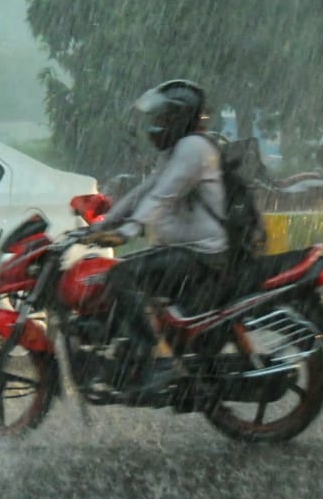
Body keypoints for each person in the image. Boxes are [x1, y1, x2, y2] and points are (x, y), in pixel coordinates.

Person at [84, 79, 229, 394]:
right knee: (119, 276)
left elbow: (163, 195)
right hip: (184, 249)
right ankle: (134, 351)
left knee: (122, 275)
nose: (156, 124)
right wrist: (102, 224)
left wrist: (127, 230)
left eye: (162, 117)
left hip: (202, 253)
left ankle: (159, 360)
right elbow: (145, 189)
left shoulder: (193, 149)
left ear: (179, 118)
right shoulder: (177, 149)